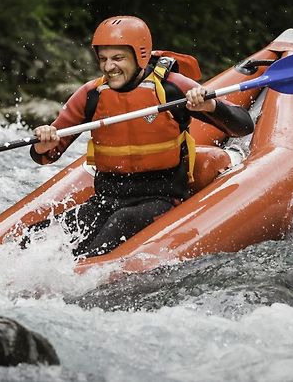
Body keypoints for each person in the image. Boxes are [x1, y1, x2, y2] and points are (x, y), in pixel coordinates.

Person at [29, 15, 254, 257]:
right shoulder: (90, 95)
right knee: (36, 236)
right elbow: (45, 156)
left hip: (160, 199)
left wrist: (210, 107)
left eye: (118, 58)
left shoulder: (172, 87)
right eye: (103, 59)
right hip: (105, 200)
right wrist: (44, 144)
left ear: (141, 56)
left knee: (120, 222)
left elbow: (243, 126)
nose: (109, 67)